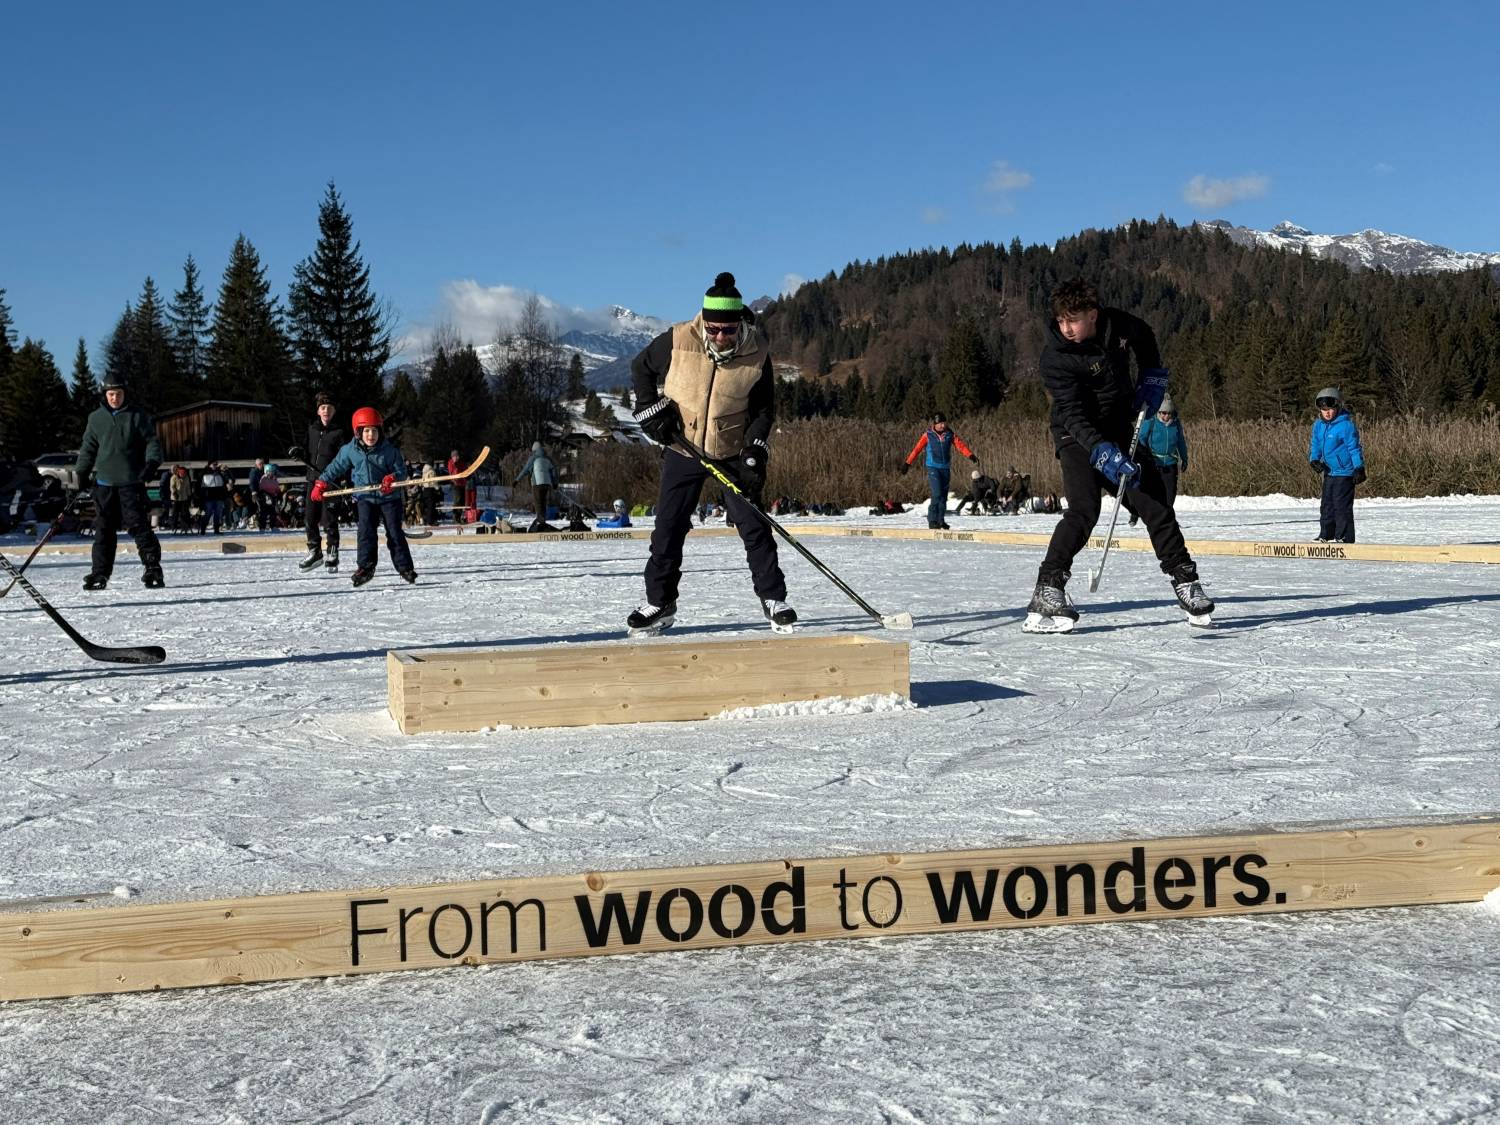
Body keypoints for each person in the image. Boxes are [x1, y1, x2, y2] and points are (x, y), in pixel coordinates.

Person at [1025, 278, 1213, 632]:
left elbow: (1146, 340)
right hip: (1074, 434)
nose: (1066, 328)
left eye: (1074, 320)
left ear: (1093, 315)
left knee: (1155, 501)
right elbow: (1072, 413)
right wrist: (1099, 451)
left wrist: (1152, 376)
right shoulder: (1054, 358)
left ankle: (1185, 579)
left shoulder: (1120, 326)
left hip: (1118, 425)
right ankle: (1048, 587)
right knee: (1084, 511)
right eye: (1061, 321)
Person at [627, 271, 795, 633]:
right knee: (668, 529)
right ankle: (659, 602)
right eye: (714, 329)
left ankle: (773, 597)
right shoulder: (677, 340)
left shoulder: (757, 352)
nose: (720, 337)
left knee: (753, 525)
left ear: (740, 325)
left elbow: (765, 408)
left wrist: (755, 449)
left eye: (729, 330)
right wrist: (649, 408)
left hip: (730, 450)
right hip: (682, 448)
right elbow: (640, 368)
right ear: (703, 321)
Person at [73, 376, 165, 590]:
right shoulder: (96, 419)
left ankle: (152, 567)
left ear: (125, 394)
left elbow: (152, 441)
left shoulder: (137, 416)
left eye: (119, 394)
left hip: (130, 481)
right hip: (104, 484)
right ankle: (99, 573)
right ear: (105, 395)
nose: (115, 398)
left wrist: (152, 463)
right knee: (103, 530)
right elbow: (88, 447)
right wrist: (82, 473)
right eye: (111, 394)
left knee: (138, 526)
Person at [309, 407, 415, 587]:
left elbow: (401, 471)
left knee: (395, 533)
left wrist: (393, 478)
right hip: (365, 497)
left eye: (374, 430)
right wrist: (321, 483)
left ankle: (405, 568)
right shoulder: (349, 450)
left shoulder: (388, 450)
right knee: (365, 532)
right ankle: (365, 567)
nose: (370, 435)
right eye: (366, 431)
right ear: (358, 432)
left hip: (389, 497)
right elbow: (335, 467)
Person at [899, 413, 977, 530]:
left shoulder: (950, 434)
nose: (943, 425)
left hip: (945, 468)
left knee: (944, 496)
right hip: (933, 467)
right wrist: (907, 463)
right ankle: (932, 519)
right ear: (935, 424)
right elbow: (917, 449)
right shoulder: (928, 435)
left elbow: (960, 446)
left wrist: (970, 455)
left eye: (944, 423)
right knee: (937, 494)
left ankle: (941, 520)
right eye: (940, 423)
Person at [1309, 386, 1365, 543]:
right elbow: (1315, 444)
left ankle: (1344, 536)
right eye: (1323, 409)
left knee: (1341, 506)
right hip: (1329, 472)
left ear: (1338, 407)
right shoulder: (1319, 426)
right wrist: (1314, 460)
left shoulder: (1346, 426)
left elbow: (1354, 448)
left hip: (1345, 472)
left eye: (1330, 409)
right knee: (1327, 506)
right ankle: (1326, 534)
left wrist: (1359, 468)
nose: (1327, 412)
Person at [1130, 393, 1189, 525]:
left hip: (1170, 463)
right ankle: (1134, 512)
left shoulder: (1176, 424)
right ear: (1159, 412)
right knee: (1146, 490)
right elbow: (1141, 440)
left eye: (1169, 413)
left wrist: (1184, 458)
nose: (1166, 416)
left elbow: (1180, 442)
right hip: (1153, 463)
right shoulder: (1150, 422)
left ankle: (1167, 519)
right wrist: (1141, 457)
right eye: (1163, 413)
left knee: (1170, 494)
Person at [301, 392, 344, 571]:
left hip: (330, 482)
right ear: (318, 411)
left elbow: (343, 458)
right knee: (310, 518)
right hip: (312, 479)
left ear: (334, 411)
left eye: (329, 408)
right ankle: (314, 551)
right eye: (323, 408)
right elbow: (305, 450)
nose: (326, 410)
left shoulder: (338, 432)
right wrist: (298, 452)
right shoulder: (311, 430)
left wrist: (341, 479)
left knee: (330, 520)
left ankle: (332, 552)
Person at [513, 441, 557, 533]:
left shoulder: (533, 458)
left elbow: (525, 470)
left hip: (537, 483)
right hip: (547, 484)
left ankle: (540, 524)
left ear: (534, 450)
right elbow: (553, 471)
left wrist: (517, 480)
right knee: (543, 502)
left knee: (538, 503)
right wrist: (555, 483)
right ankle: (542, 521)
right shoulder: (548, 458)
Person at [200, 460, 228, 533]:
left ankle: (216, 529)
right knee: (208, 513)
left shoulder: (220, 473)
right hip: (209, 496)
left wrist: (226, 471)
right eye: (214, 464)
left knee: (218, 513)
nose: (215, 466)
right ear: (209, 465)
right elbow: (199, 485)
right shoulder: (204, 473)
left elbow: (227, 480)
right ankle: (203, 529)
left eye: (216, 464)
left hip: (219, 496)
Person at [169, 465, 192, 532]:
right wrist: (174, 493)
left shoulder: (186, 477)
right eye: (181, 473)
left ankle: (184, 527)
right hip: (176, 498)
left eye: (184, 473)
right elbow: (172, 486)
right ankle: (174, 526)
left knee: (184, 513)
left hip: (184, 498)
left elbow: (188, 487)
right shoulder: (174, 477)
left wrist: (189, 495)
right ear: (178, 472)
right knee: (175, 513)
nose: (182, 474)